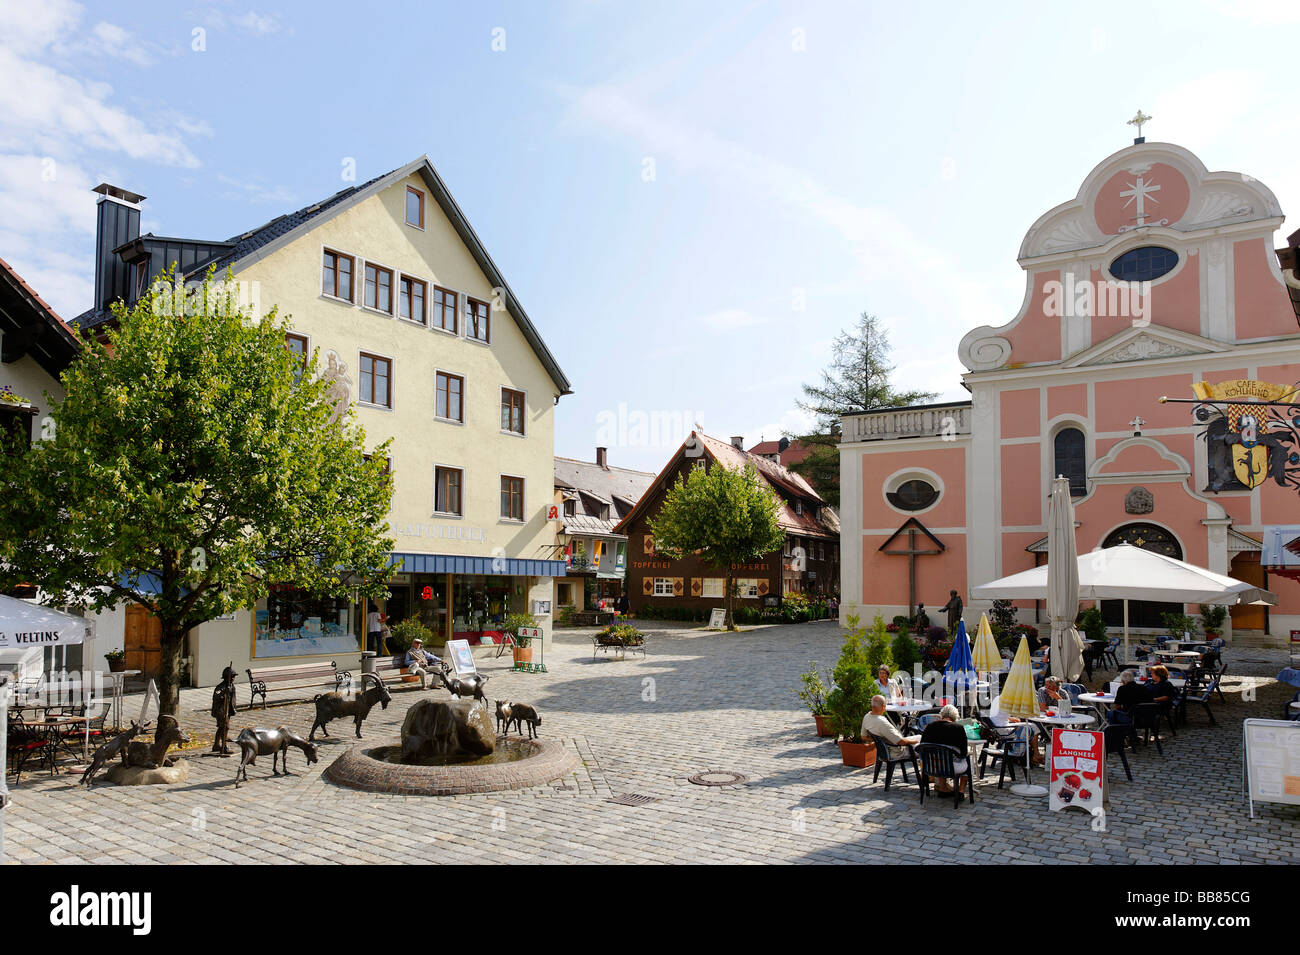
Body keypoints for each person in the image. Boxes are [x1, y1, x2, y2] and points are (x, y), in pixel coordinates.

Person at [920, 704, 970, 797]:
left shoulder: (929, 727)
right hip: (951, 767)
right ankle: (961, 790)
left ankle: (943, 788)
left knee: (940, 756)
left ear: (941, 715)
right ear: (955, 717)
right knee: (967, 759)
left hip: (932, 766)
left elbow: (922, 747)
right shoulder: (958, 728)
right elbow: (963, 753)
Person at [987, 693, 1044, 766]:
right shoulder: (1008, 700)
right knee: (1030, 728)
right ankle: (1034, 755)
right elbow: (1021, 713)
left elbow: (998, 715)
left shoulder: (998, 698)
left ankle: (1035, 755)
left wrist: (1010, 718)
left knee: (1032, 726)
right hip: (1001, 729)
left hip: (997, 726)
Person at [210, 664, 237, 756]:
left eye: (234, 677)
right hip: (221, 711)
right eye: (232, 677)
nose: (233, 678)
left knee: (222, 727)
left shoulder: (231, 686)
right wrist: (222, 695)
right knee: (225, 727)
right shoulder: (220, 687)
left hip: (228, 710)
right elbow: (216, 696)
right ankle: (224, 746)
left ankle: (216, 745)